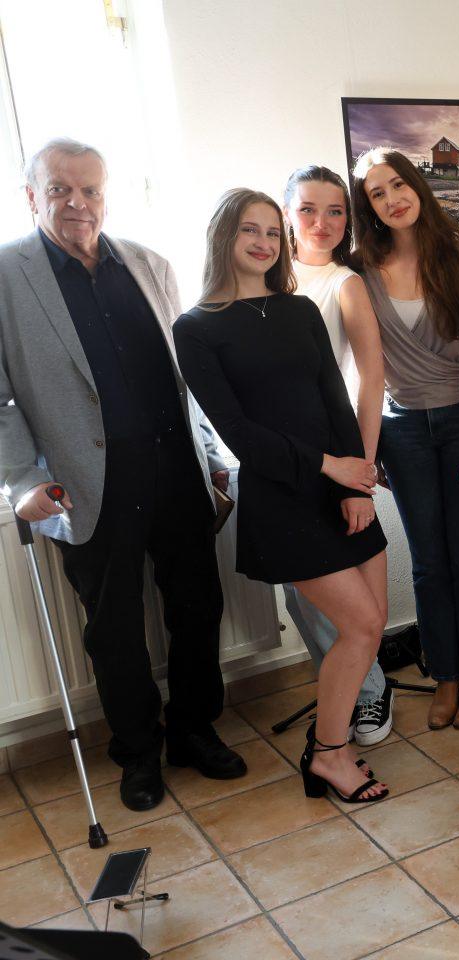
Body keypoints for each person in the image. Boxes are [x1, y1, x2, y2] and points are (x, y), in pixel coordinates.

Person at [0, 138, 244, 812]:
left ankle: (195, 731)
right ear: (32, 195)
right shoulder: (6, 274)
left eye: (90, 190)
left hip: (176, 473)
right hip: (83, 485)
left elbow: (186, 378)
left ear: (106, 194)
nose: (78, 203)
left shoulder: (150, 263)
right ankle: (138, 754)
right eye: (60, 190)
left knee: (197, 608)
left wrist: (214, 456)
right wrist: (23, 481)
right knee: (113, 630)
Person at [175, 189, 389, 803]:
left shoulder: (297, 311)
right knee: (363, 623)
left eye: (273, 231)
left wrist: (358, 481)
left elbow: (332, 396)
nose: (265, 242)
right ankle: (330, 754)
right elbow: (241, 436)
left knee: (367, 631)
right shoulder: (194, 329)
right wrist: (332, 468)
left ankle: (327, 746)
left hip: (343, 488)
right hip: (284, 498)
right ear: (224, 236)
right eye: (251, 229)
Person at [351, 148, 459, 731]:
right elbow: (364, 369)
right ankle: (445, 673)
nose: (393, 198)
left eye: (398, 184)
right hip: (403, 431)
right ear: (369, 207)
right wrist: (368, 448)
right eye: (377, 193)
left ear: (417, 185)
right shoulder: (362, 271)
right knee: (428, 562)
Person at [281, 164, 393, 747]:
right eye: (308, 209)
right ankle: (343, 688)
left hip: (338, 456)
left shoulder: (345, 283)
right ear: (286, 213)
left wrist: (361, 475)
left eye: (335, 211)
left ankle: (370, 692)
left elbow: (372, 380)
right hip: (281, 459)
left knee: (348, 596)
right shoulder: (267, 281)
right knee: (298, 594)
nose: (321, 223)